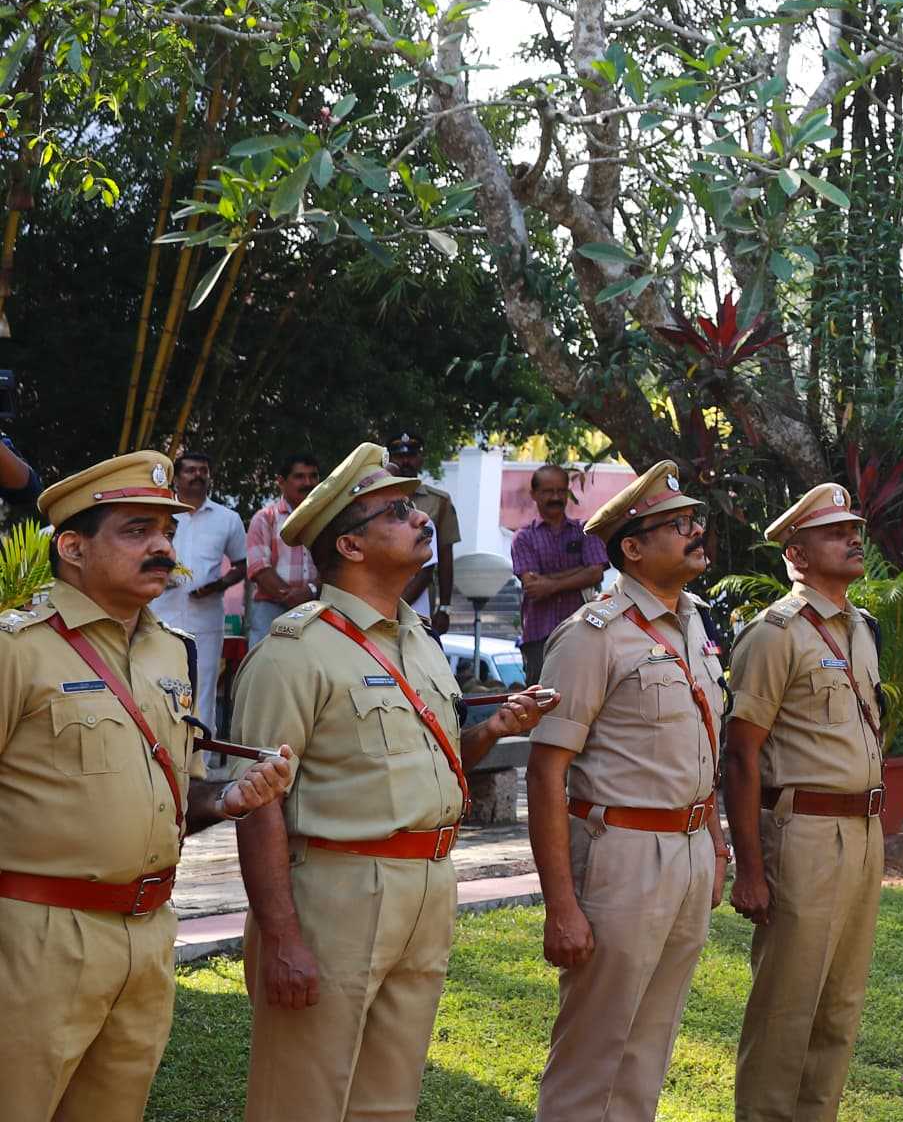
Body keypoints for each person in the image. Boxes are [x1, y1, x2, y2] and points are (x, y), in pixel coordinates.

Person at [231, 442, 558, 1121]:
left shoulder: (417, 640)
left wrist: (493, 731)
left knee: (389, 1099)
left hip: (427, 887)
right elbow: (258, 804)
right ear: (350, 546)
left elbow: (426, 762)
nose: (420, 517)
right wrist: (283, 938)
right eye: (398, 512)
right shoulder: (294, 652)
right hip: (338, 889)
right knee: (304, 1096)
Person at [1, 452, 296, 1122]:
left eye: (166, 530)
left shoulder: (171, 651)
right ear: (72, 548)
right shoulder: (18, 650)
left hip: (149, 930)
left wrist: (229, 798)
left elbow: (173, 793)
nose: (163, 546)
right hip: (36, 934)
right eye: (137, 531)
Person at [528, 462, 729, 1122]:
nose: (696, 531)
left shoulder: (694, 622)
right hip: (623, 855)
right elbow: (547, 770)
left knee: (648, 1048)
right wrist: (562, 905)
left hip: (690, 852)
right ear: (633, 548)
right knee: (596, 1050)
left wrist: (718, 848)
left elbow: (703, 747)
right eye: (678, 524)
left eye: (695, 520)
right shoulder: (593, 636)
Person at [723, 483, 888, 1122]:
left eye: (855, 530)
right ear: (796, 552)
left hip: (863, 831)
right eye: (834, 532)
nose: (853, 540)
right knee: (785, 1010)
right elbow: (740, 756)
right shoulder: (774, 634)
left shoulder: (861, 630)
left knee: (840, 1009)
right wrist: (751, 867)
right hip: (803, 834)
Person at [150, 447, 250, 760]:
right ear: (176, 478)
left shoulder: (227, 518)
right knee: (155, 683)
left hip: (205, 619)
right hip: (158, 614)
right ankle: (158, 755)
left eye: (203, 470)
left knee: (202, 689)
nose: (197, 475)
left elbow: (242, 566)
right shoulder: (160, 513)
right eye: (190, 470)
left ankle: (199, 766)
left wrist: (217, 586)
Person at [512, 465, 613, 685]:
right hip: (539, 636)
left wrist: (548, 583)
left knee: (585, 699)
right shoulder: (523, 538)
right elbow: (533, 587)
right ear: (534, 495)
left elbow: (596, 573)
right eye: (548, 491)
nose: (556, 497)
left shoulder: (586, 530)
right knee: (538, 704)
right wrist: (580, 571)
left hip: (584, 634)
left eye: (561, 490)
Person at [382, 433, 461, 632]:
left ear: (420, 459)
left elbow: (444, 556)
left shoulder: (438, 501)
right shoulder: (374, 501)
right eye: (399, 456)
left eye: (411, 456)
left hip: (420, 605)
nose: (405, 461)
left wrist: (445, 607)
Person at [246, 453, 324, 645]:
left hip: (318, 607)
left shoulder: (327, 518)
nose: (308, 482)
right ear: (281, 482)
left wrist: (311, 591)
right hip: (271, 608)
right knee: (268, 668)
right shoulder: (265, 518)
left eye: (313, 476)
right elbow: (259, 569)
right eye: (299, 476)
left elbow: (336, 564)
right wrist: (293, 597)